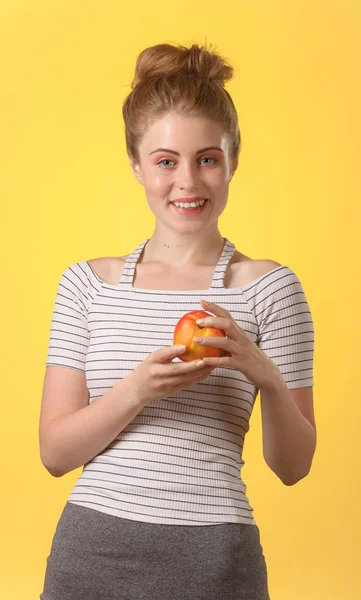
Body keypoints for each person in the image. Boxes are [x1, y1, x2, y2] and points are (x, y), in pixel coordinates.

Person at [39, 42, 316, 600]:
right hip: (92, 552)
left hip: (216, 560)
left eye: (207, 158)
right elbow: (54, 454)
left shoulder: (269, 288)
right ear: (138, 167)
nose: (187, 181)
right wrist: (136, 390)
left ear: (233, 161)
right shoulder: (87, 284)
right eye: (166, 160)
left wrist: (264, 373)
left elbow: (294, 467)